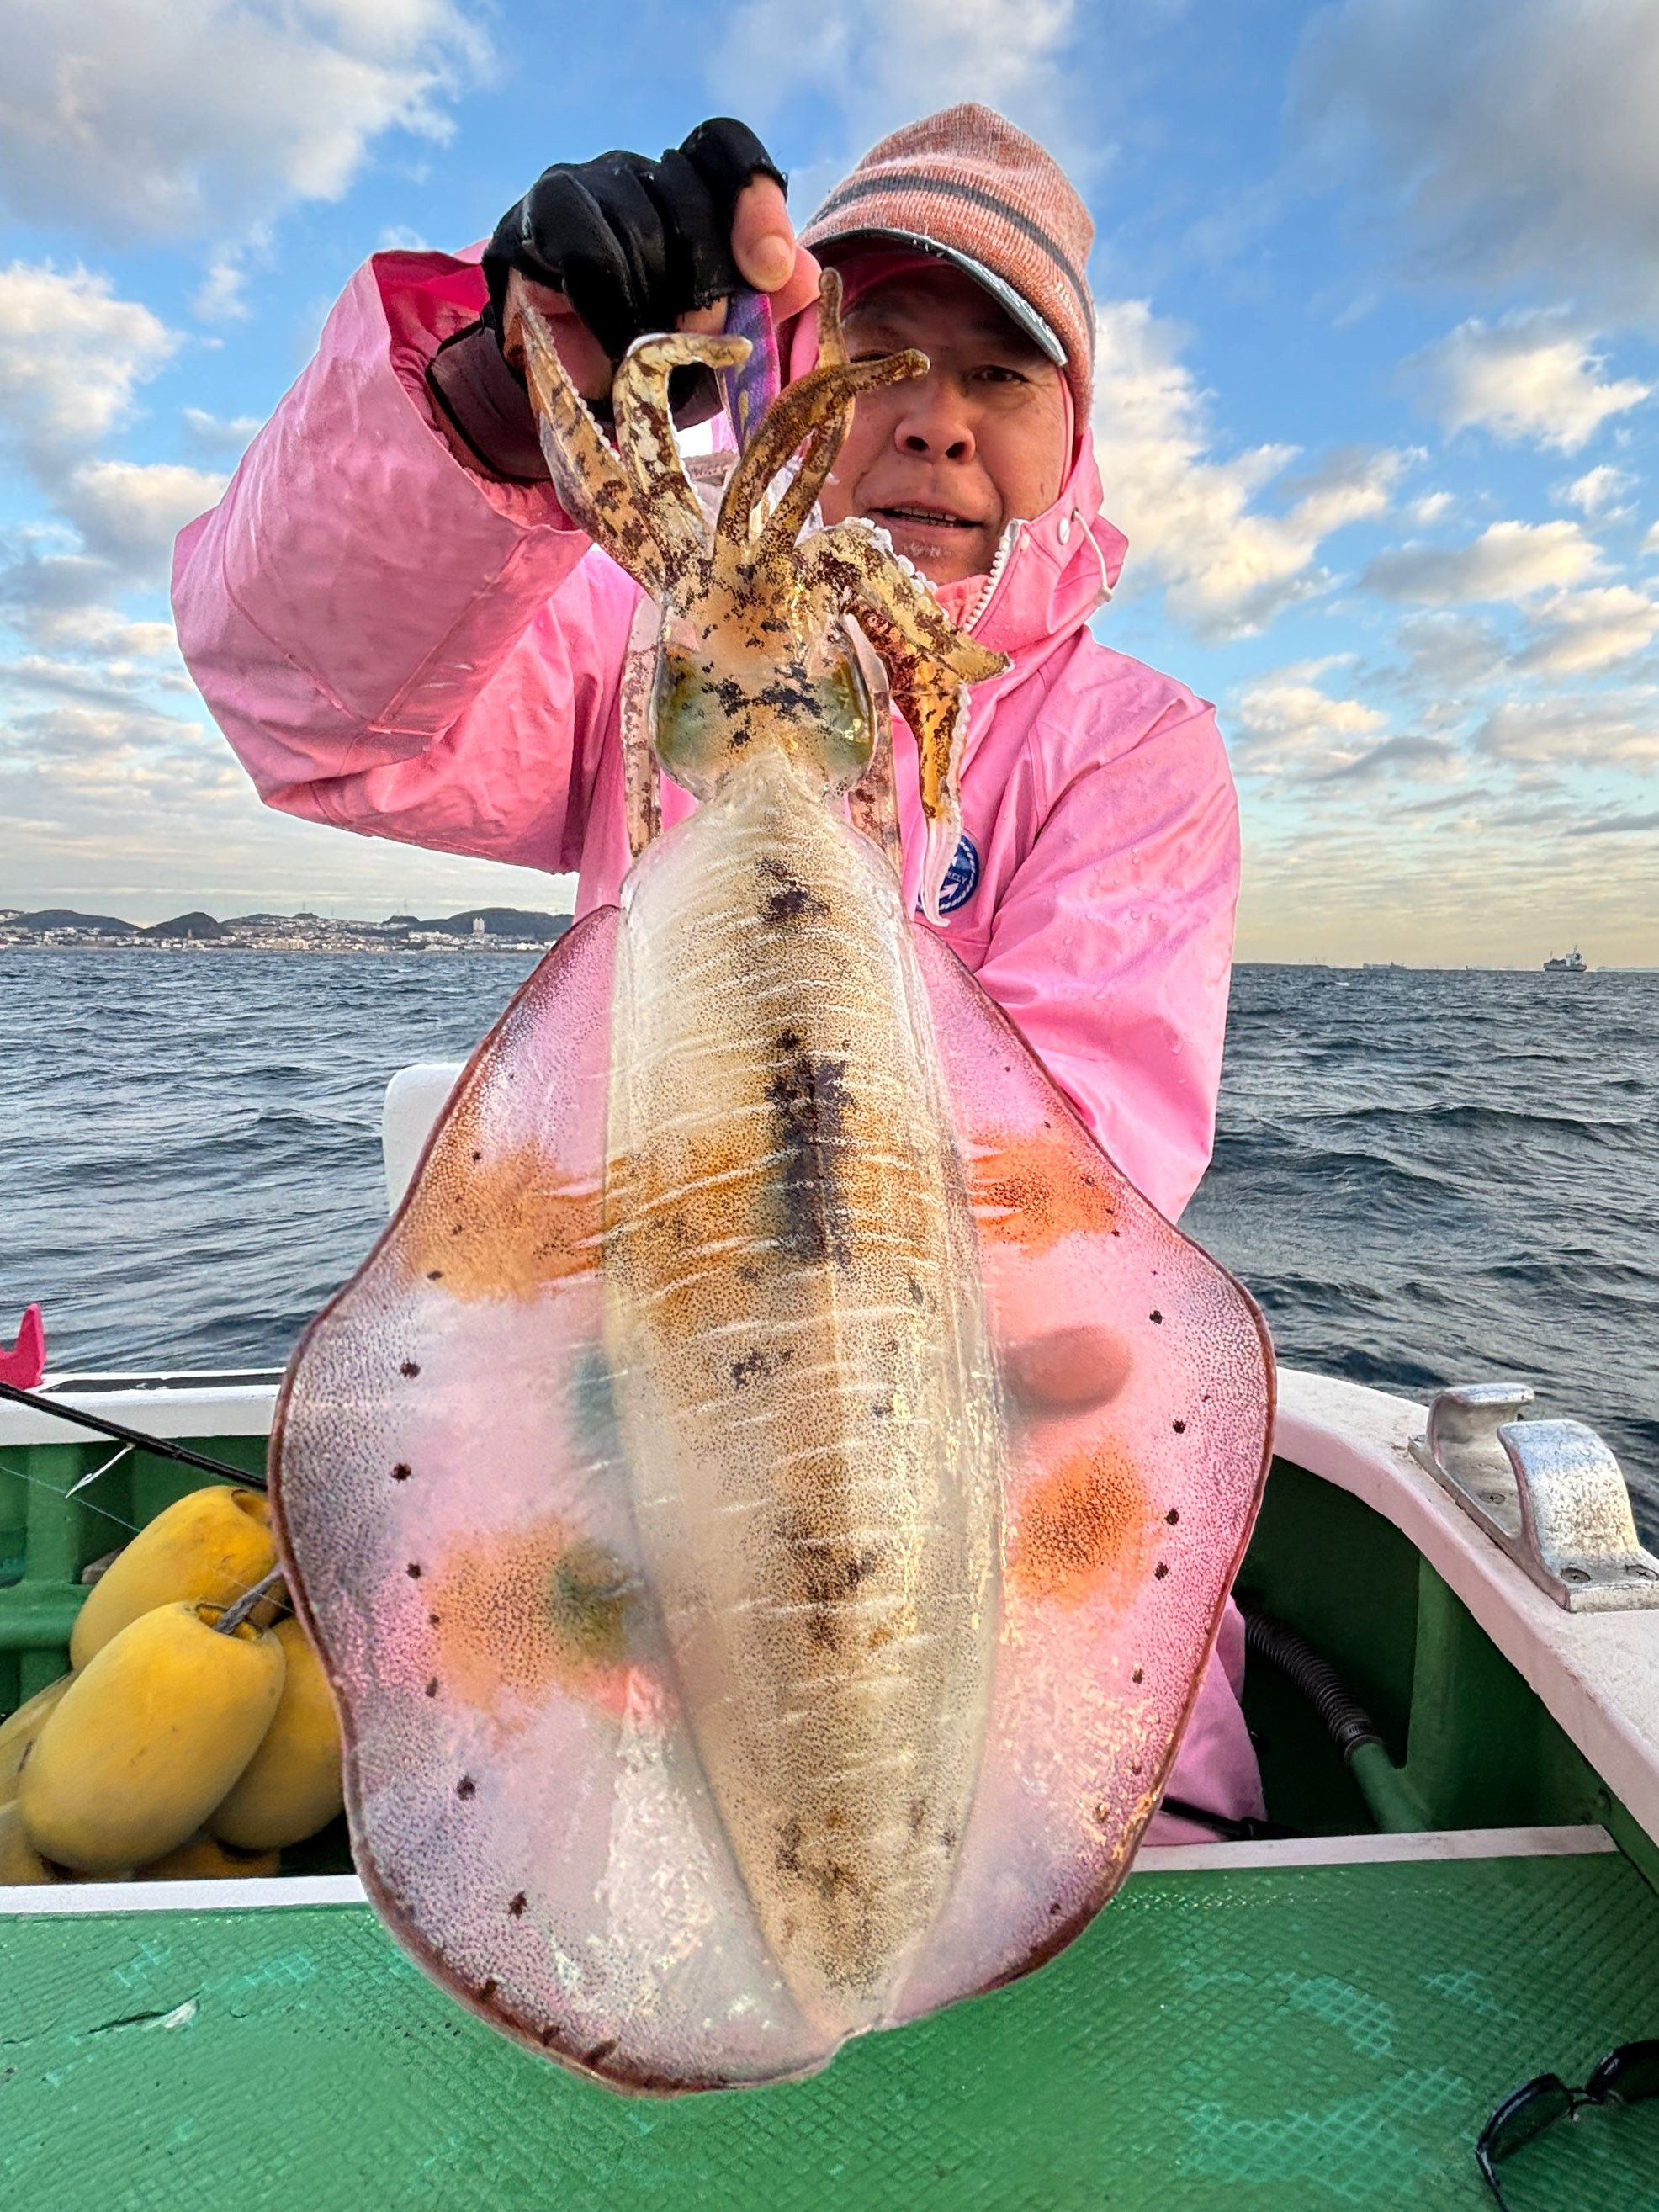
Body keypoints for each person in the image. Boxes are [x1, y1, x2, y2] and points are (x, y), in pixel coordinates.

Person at [172, 103, 1261, 1846]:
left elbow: (1074, 1192)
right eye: (878, 354)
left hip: (1002, 1572)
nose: (930, 415)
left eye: (1002, 373)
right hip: (626, 1556)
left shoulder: (1128, 746)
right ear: (779, 378)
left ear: (1076, 432)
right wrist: (488, 409)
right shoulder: (637, 650)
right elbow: (311, 710)